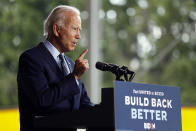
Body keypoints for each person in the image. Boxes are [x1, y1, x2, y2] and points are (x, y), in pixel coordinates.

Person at [17, 5, 94, 131]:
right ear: (57, 29)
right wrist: (74, 76)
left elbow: (84, 105)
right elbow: (42, 101)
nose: (78, 36)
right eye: (75, 29)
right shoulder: (31, 59)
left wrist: (111, 110)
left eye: (79, 30)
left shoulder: (71, 65)